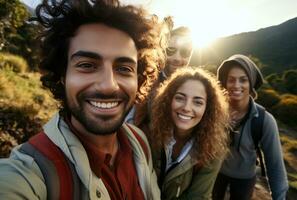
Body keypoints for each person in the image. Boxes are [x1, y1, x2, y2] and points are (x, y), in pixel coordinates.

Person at [0, 0, 165, 199]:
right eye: (87, 65)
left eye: (124, 69)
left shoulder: (139, 143)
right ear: (63, 75)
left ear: (137, 79)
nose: (108, 85)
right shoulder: (31, 173)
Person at [213, 54, 288, 200]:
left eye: (243, 80)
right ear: (224, 83)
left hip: (244, 180)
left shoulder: (265, 121)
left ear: (251, 83)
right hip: (215, 175)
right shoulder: (214, 112)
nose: (236, 85)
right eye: (231, 80)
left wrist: (279, 197)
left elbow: (275, 166)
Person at [150, 67, 229, 199]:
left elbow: (198, 197)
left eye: (198, 102)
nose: (187, 108)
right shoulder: (149, 134)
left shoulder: (212, 152)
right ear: (169, 100)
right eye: (180, 98)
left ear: (207, 109)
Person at [132, 25, 193, 128]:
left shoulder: (194, 86)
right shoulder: (145, 80)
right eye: (170, 50)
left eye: (185, 52)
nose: (177, 58)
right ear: (162, 51)